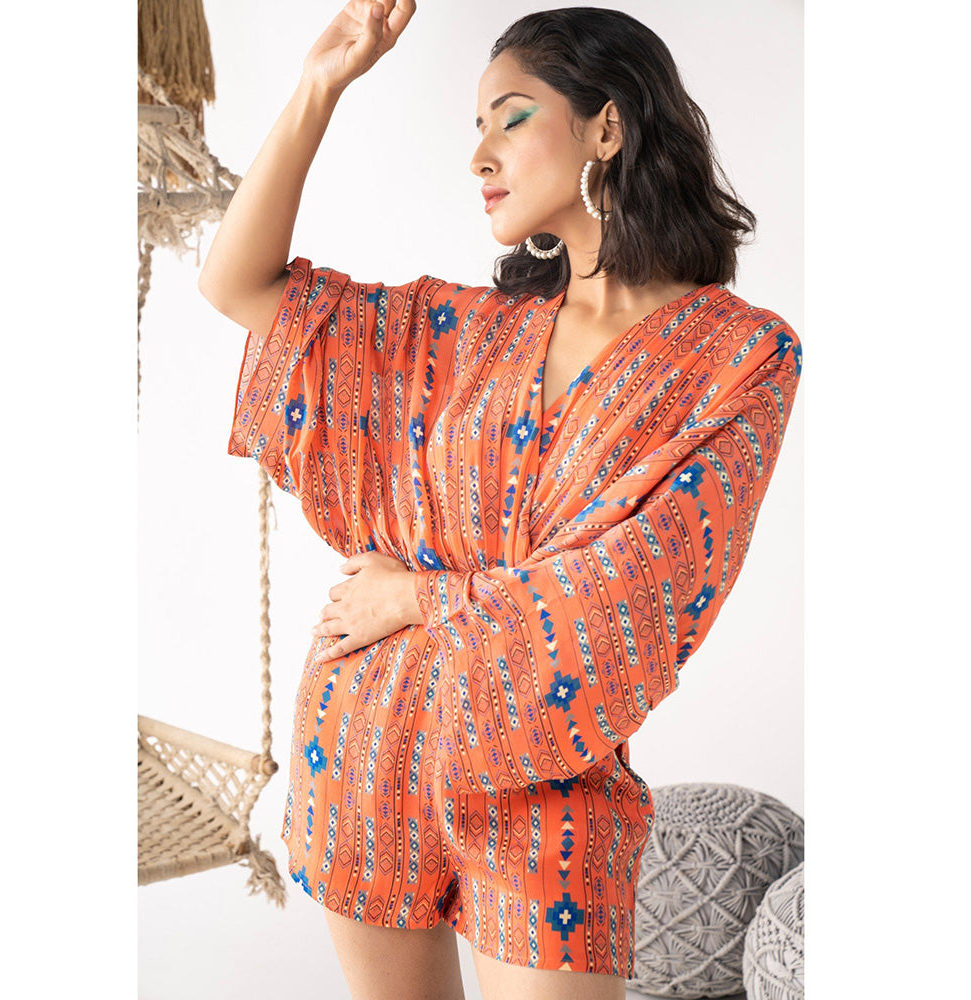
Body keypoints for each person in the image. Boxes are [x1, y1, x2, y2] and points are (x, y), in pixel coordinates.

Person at [198, 4, 803, 999]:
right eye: (475, 127)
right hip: (370, 731)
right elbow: (239, 285)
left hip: (549, 775)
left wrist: (418, 596)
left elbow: (631, 586)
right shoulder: (460, 333)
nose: (479, 154)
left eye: (511, 117)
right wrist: (319, 83)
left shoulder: (738, 355)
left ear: (607, 127)